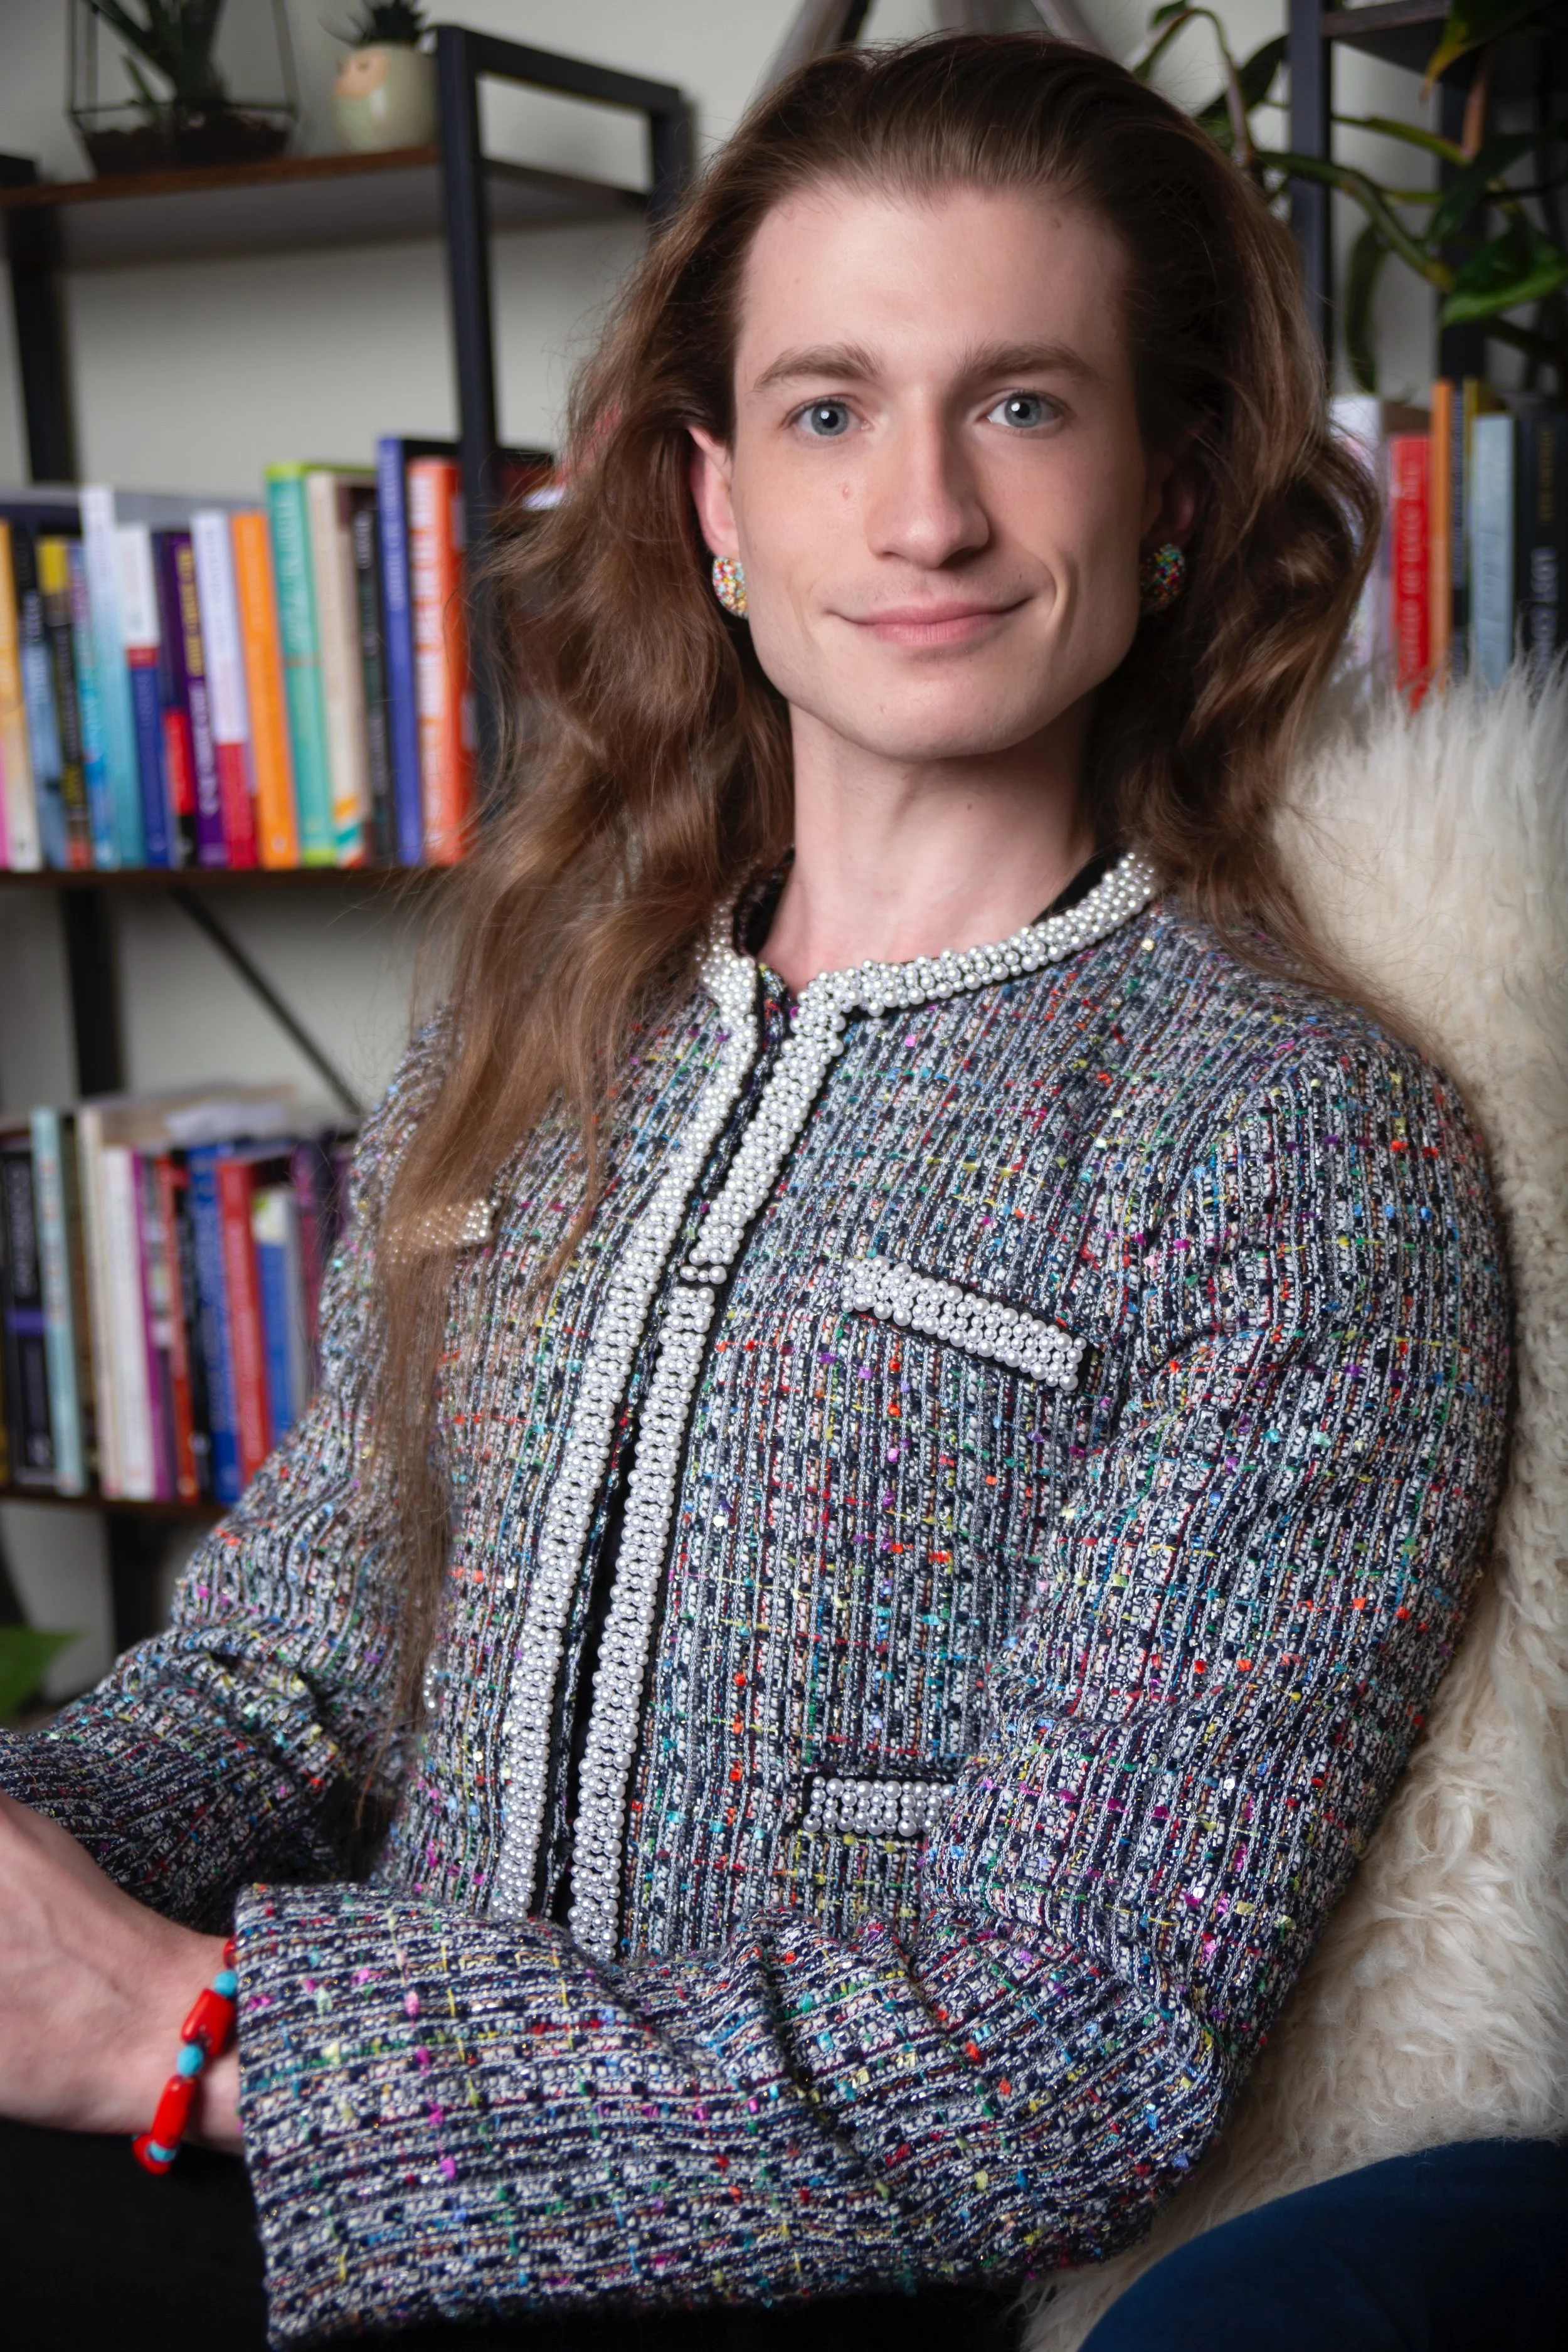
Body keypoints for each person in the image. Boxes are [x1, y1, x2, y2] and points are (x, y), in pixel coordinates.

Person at [0, 33, 1517, 2352]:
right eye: (827, 411)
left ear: (1180, 486)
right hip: (285, 2190)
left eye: (1020, 404)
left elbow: (1063, 2044)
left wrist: (184, 2035)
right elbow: (287, 1678)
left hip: (745, 2280)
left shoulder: (1294, 1149)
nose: (922, 515)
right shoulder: (534, 1033)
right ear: (712, 501)